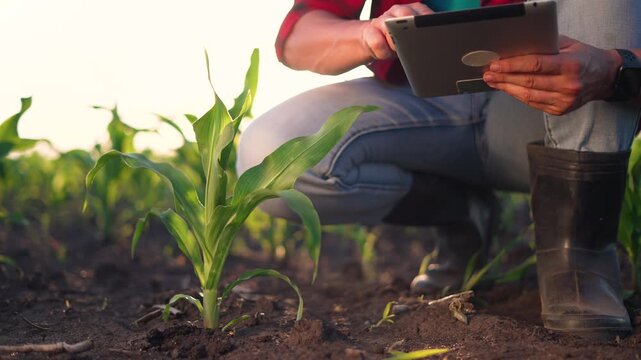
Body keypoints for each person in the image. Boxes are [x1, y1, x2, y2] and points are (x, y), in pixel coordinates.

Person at [237, 0, 641, 338]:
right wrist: (367, 33)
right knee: (269, 158)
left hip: (559, 112)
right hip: (425, 103)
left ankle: (581, 257)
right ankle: (462, 213)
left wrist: (616, 68)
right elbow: (299, 36)